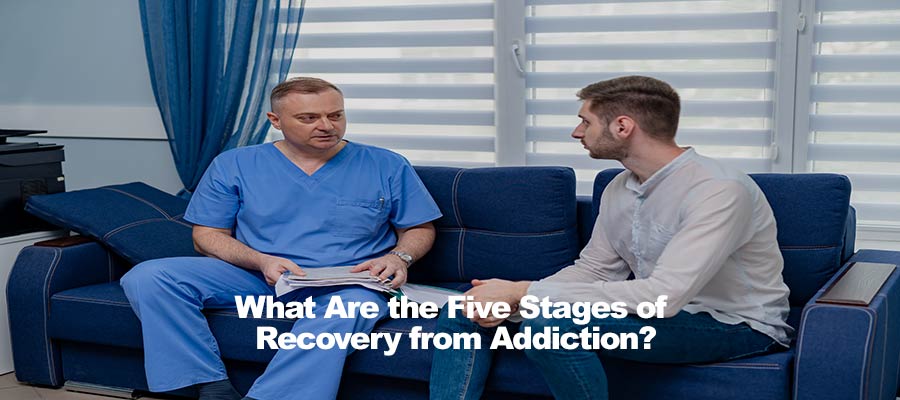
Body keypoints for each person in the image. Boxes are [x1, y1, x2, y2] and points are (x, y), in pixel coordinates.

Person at [428, 76, 792, 400]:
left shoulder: (718, 190)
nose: (576, 132)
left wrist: (524, 292)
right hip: (655, 314)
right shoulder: (620, 186)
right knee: (465, 308)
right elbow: (594, 270)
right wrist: (511, 300)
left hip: (734, 324)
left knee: (552, 326)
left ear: (622, 126)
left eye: (585, 121)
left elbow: (662, 298)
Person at [121, 77, 442, 400]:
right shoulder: (234, 164)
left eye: (336, 115)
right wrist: (261, 260)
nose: (326, 126)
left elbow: (419, 228)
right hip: (260, 275)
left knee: (345, 310)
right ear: (275, 121)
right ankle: (210, 385)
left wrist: (398, 257)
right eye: (309, 118)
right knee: (150, 277)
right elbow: (206, 236)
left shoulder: (386, 164)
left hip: (352, 283)